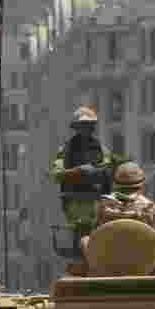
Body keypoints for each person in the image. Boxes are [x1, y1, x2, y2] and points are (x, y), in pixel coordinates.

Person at [50, 106, 112, 275]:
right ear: (76, 128)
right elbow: (56, 175)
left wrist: (95, 172)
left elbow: (107, 171)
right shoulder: (66, 150)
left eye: (89, 126)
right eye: (82, 126)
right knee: (82, 237)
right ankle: (84, 267)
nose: (86, 130)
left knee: (97, 239)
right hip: (75, 202)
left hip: (97, 202)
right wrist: (79, 171)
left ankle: (94, 268)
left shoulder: (101, 149)